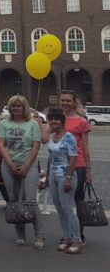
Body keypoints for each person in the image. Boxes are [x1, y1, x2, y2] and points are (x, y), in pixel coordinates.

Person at [0, 95, 44, 249]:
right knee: (14, 201)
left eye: (19, 106)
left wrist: (26, 166)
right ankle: (20, 235)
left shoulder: (33, 124)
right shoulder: (4, 123)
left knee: (30, 202)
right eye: (13, 106)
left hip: (28, 165)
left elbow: (36, 146)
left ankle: (39, 235)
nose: (16, 108)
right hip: (9, 165)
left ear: (24, 108)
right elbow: (2, 145)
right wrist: (10, 164)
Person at [43, 107, 82, 254]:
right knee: (60, 209)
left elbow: (73, 158)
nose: (53, 121)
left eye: (56, 119)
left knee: (67, 209)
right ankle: (67, 238)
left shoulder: (69, 137)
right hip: (53, 175)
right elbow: (51, 157)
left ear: (62, 121)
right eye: (51, 118)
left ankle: (77, 240)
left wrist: (69, 178)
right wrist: (47, 176)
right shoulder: (52, 137)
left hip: (65, 174)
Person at [58, 90, 92, 244]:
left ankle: (79, 234)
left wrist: (88, 170)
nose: (65, 103)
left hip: (78, 165)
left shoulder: (81, 121)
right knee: (63, 202)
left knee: (77, 201)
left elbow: (85, 147)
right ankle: (68, 233)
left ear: (74, 102)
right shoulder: (57, 120)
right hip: (60, 166)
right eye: (62, 100)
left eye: (68, 101)